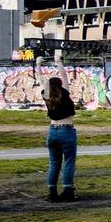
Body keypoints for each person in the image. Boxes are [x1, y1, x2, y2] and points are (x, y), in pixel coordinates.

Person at [43, 70, 77, 202]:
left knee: (54, 163)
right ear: (61, 85)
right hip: (66, 130)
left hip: (52, 131)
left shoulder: (46, 96)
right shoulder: (65, 94)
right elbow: (64, 76)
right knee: (68, 162)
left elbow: (41, 81)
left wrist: (39, 65)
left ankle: (52, 193)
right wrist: (59, 62)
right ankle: (68, 191)